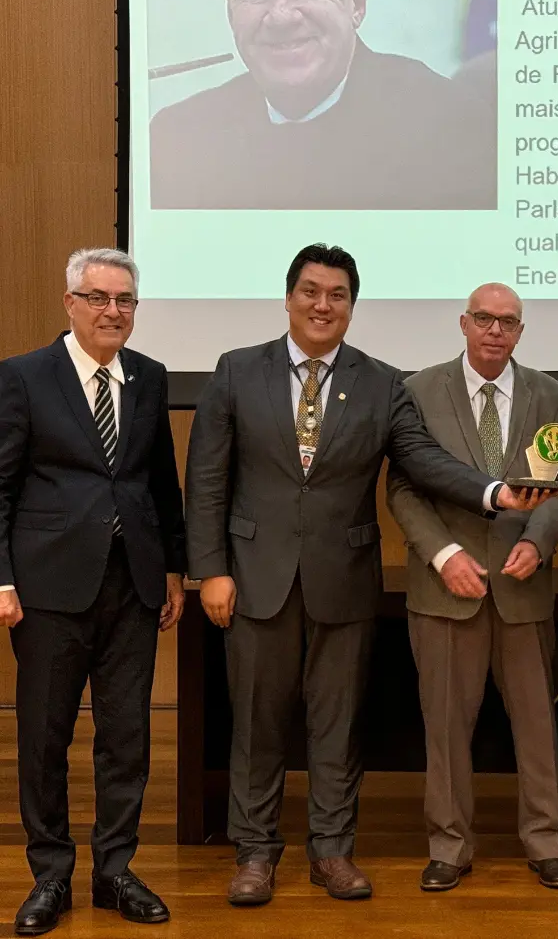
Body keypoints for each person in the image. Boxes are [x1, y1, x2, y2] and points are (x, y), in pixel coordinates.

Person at [183, 244, 536, 908]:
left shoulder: (380, 381)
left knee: (337, 725)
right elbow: (206, 480)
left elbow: (424, 461)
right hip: (254, 576)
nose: (323, 305)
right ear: (289, 298)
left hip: (343, 576)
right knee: (257, 723)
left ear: (351, 305)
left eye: (337, 295)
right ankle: (255, 853)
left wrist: (493, 493)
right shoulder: (237, 372)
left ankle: (332, 850)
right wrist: (209, 572)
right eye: (312, 292)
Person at [0, 248, 186, 936]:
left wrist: (173, 567)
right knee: (44, 738)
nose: (114, 311)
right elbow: (0, 484)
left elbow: (160, 482)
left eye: (126, 300)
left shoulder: (150, 378)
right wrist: (2, 577)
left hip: (132, 585)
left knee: (127, 737)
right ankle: (50, 875)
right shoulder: (22, 377)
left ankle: (115, 870)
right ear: (70, 302)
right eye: (100, 297)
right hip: (47, 589)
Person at [386, 283, 558, 892]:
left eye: (509, 322)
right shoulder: (418, 391)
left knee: (537, 727)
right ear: (463, 324)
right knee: (444, 727)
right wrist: (444, 555)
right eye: (485, 320)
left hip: (524, 586)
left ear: (520, 332)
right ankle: (450, 845)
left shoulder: (552, 395)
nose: (496, 331)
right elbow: (405, 488)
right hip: (448, 585)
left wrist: (537, 542)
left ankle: (546, 842)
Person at [149, 0, 496, 210]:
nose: (281, 15)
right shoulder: (178, 139)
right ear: (230, 12)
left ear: (357, 1)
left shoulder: (449, 124)